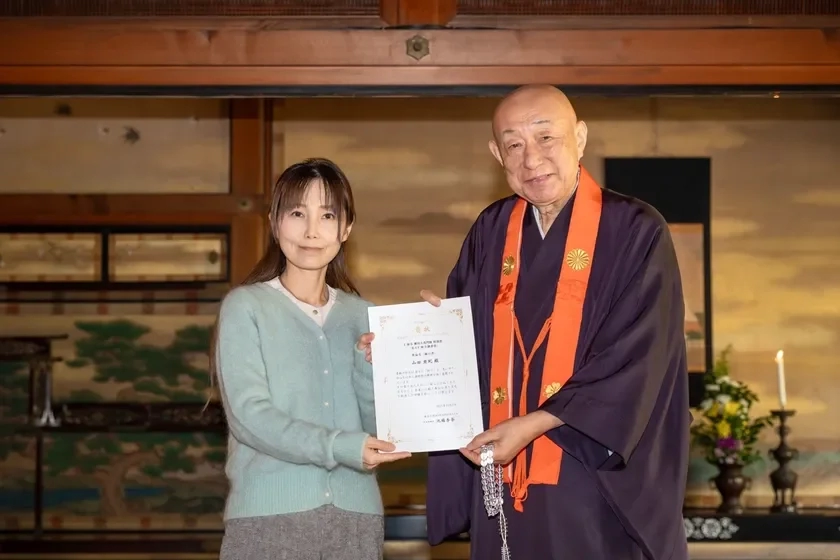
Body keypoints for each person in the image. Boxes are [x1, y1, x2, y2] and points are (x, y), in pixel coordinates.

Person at [359, 85, 691, 559]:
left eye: (546, 137)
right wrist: (413, 343)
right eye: (513, 144)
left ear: (579, 137)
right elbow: (470, 345)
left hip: (590, 475)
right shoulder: (491, 230)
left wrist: (536, 423)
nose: (531, 158)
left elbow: (640, 354)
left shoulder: (635, 229)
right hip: (499, 469)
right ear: (497, 154)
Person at [214, 157, 411, 560]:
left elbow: (385, 430)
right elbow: (250, 417)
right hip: (268, 519)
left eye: (327, 215)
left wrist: (370, 367)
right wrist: (341, 446)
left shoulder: (366, 316)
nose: (311, 231)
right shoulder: (245, 307)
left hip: (357, 519)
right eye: (297, 213)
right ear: (274, 221)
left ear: (347, 228)